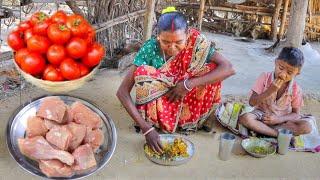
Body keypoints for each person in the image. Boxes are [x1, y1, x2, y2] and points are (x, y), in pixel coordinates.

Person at [117, 7, 235, 153]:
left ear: (188, 35)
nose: (172, 48)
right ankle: (155, 124)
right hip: (163, 101)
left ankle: (192, 123)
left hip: (188, 97)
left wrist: (188, 84)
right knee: (143, 72)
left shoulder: (196, 43)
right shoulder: (150, 49)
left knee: (212, 68)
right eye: (165, 41)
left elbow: (228, 68)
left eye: (179, 42)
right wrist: (146, 129)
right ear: (158, 36)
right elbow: (122, 92)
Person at [239, 47, 313, 137]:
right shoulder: (264, 78)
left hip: (282, 120)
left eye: (289, 73)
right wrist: (269, 91)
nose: (283, 74)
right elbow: (252, 102)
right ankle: (277, 134)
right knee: (245, 118)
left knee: (307, 127)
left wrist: (278, 119)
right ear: (276, 62)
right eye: (281, 68)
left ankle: (265, 131)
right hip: (262, 116)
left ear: (297, 73)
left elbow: (296, 114)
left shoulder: (296, 89)